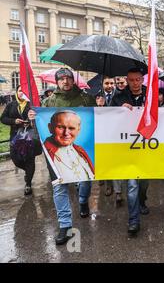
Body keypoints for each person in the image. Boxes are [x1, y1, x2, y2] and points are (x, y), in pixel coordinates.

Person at [28, 68, 96, 245]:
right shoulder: (49, 101)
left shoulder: (86, 98)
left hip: (83, 148)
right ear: (56, 81)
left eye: (68, 78)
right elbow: (41, 124)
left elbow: (97, 118)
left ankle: (82, 201)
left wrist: (102, 106)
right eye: (62, 78)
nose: (65, 81)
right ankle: (65, 226)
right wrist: (33, 116)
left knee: (86, 179)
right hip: (55, 151)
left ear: (73, 80)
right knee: (60, 186)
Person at [111, 68, 149, 235]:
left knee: (144, 182)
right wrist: (120, 108)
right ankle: (133, 220)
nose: (134, 83)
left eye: (137, 80)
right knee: (132, 184)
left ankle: (142, 201)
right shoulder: (118, 97)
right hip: (128, 146)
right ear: (127, 80)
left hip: (148, 146)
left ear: (142, 80)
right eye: (131, 80)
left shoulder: (151, 95)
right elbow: (108, 116)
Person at [1, 86, 39, 195]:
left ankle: (28, 183)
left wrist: (32, 122)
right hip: (15, 136)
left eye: (24, 90)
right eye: (20, 90)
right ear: (17, 93)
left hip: (29, 136)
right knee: (15, 158)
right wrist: (14, 121)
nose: (22, 92)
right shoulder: (11, 105)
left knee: (29, 160)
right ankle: (28, 171)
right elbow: (3, 118)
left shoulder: (32, 105)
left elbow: (40, 119)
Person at [43, 110, 94, 183]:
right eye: (60, 127)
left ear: (78, 130)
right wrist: (32, 119)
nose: (66, 133)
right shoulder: (45, 149)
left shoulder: (80, 150)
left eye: (71, 128)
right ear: (50, 127)